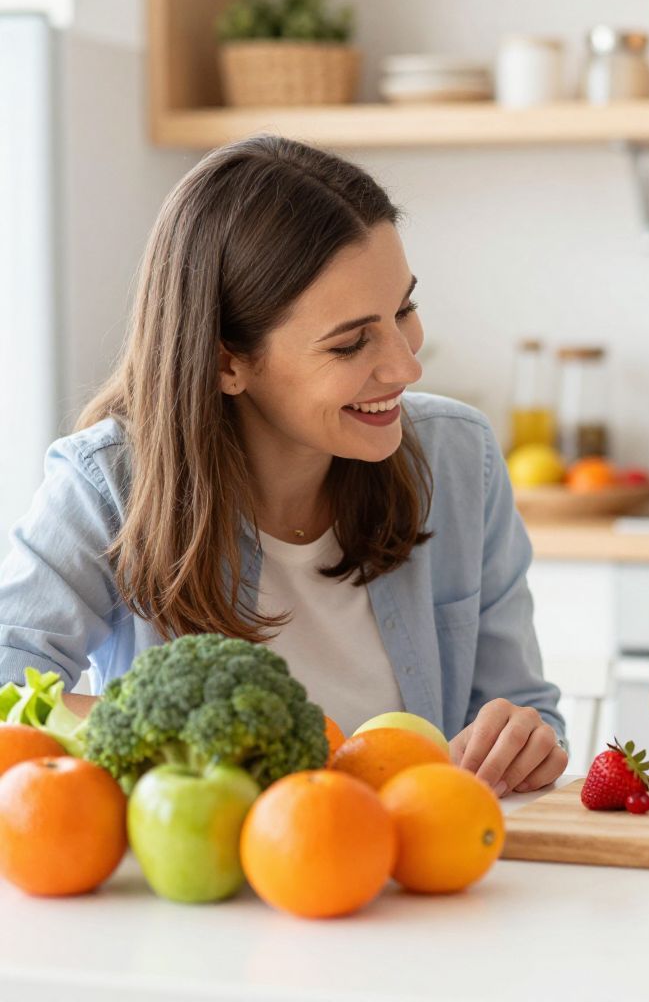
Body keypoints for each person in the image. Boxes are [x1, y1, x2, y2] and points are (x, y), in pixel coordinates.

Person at [0, 135, 568, 796]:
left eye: (404, 311)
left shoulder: (458, 458)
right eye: (352, 341)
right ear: (226, 362)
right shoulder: (109, 484)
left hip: (415, 880)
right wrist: (173, 731)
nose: (407, 367)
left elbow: (531, 720)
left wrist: (526, 741)